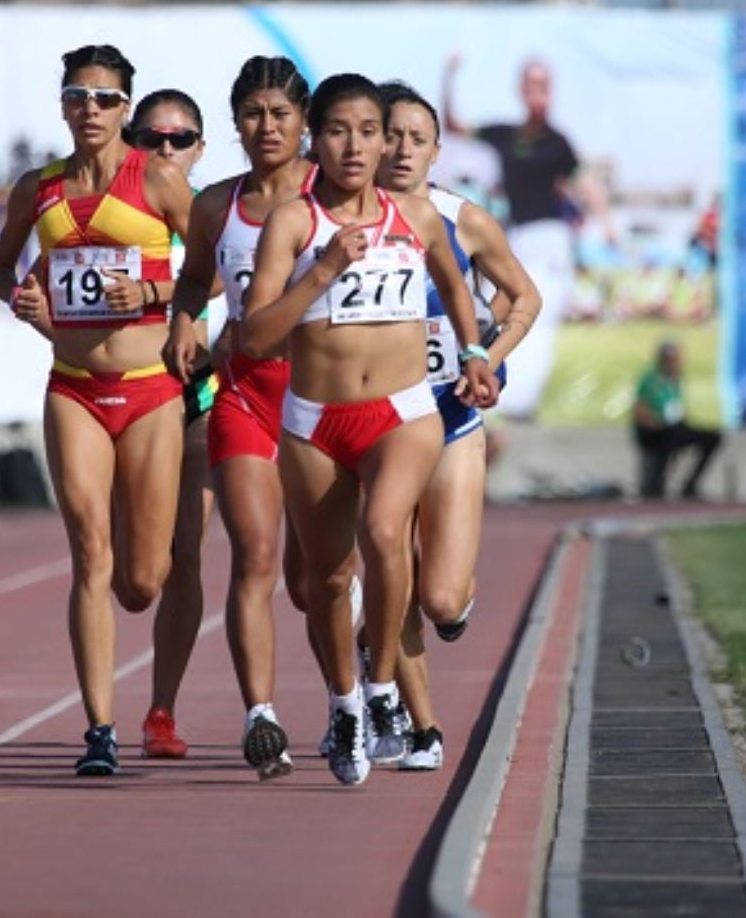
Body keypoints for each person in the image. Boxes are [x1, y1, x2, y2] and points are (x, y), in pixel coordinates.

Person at [240, 72, 498, 786]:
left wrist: (475, 351)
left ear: (386, 141)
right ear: (313, 140)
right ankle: (345, 703)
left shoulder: (415, 217)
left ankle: (383, 689)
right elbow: (255, 338)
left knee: (386, 532)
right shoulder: (294, 223)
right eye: (336, 130)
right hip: (315, 421)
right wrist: (322, 270)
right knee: (326, 580)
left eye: (367, 131)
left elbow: (453, 278)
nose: (353, 145)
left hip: (402, 412)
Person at [0, 44, 195, 777]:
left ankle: (130, 613)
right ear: (64, 104)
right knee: (89, 553)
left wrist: (154, 296)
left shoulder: (160, 181)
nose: (92, 110)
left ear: (126, 108)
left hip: (150, 391)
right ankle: (99, 729)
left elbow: (217, 272)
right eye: (79, 96)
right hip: (73, 384)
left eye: (106, 98)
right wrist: (24, 301)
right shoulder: (36, 189)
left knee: (141, 581)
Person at [375, 80, 541, 772]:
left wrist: (486, 356)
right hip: (376, 425)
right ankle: (423, 727)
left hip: (448, 420)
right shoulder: (333, 220)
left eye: (419, 138)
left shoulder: (462, 219)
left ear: (438, 150)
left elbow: (524, 296)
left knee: (439, 595)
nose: (404, 149)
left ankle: (456, 599)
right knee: (390, 579)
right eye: (392, 134)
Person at [164, 56, 322, 781]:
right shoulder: (215, 205)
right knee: (254, 552)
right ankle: (262, 715)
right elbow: (194, 279)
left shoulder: (337, 196)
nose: (267, 127)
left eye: (280, 114)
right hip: (245, 393)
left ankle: (356, 701)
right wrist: (184, 320)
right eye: (254, 114)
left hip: (325, 396)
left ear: (303, 121)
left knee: (312, 576)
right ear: (236, 122)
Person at [125, 87, 217, 762]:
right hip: (123, 401)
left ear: (200, 148)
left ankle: (162, 708)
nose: (165, 150)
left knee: (188, 556)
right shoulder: (112, 208)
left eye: (180, 139)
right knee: (135, 580)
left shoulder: (211, 211)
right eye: (152, 137)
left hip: (198, 400)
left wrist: (160, 295)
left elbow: (213, 277)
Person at [442, 53, 580, 420]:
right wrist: (449, 76)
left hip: (549, 237)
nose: (537, 93)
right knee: (493, 305)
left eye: (543, 86)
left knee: (536, 310)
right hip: (518, 234)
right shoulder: (505, 134)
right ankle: (480, 375)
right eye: (531, 85)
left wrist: (606, 226)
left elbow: (579, 186)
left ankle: (521, 397)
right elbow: (454, 125)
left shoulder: (558, 142)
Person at [632, 341, 721, 499]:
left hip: (672, 427)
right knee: (669, 438)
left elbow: (677, 409)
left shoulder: (675, 380)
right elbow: (641, 411)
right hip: (654, 431)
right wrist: (659, 425)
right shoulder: (650, 379)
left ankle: (690, 485)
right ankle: (654, 485)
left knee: (711, 437)